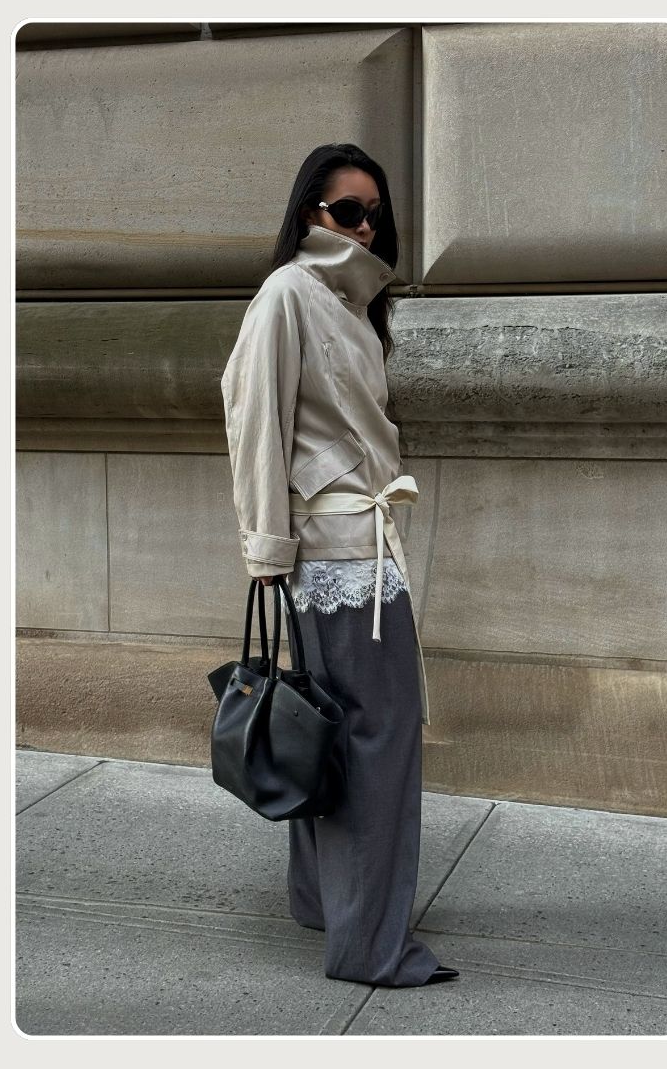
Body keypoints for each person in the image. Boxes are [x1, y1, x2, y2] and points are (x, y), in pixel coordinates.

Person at [219, 143, 455, 987]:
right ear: (309, 213)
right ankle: (370, 946)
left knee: (331, 734)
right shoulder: (288, 293)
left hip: (363, 546)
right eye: (346, 211)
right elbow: (253, 424)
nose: (364, 227)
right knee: (377, 744)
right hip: (336, 555)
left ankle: (326, 902)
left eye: (373, 215)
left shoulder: (348, 304)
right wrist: (267, 551)